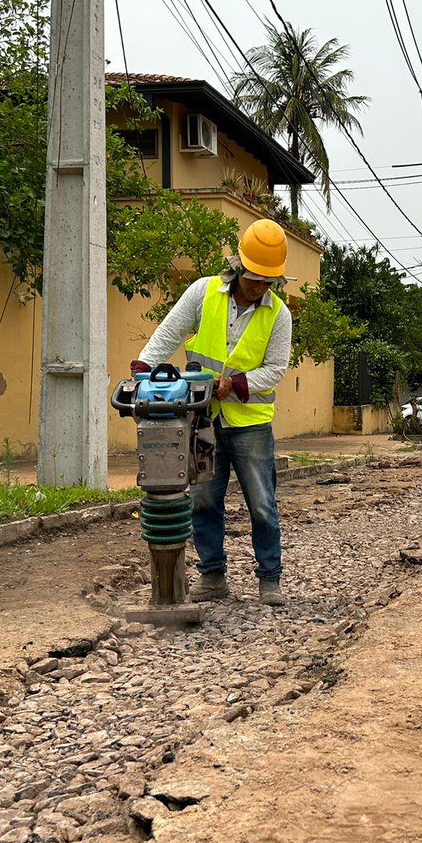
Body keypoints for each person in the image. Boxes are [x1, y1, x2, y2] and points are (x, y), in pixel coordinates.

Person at [130, 219, 293, 606]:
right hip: (202, 418)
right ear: (239, 267)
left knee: (263, 503)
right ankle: (213, 575)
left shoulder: (279, 315)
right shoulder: (204, 292)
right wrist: (141, 371)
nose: (259, 288)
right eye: (254, 278)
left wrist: (234, 385)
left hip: (250, 423)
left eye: (268, 282)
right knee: (203, 499)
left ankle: (270, 579)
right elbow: (169, 333)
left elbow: (276, 369)